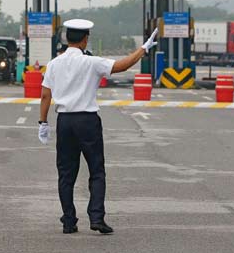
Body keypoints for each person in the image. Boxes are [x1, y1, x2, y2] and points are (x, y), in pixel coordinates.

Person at [38, 19, 158, 235]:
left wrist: (43, 122)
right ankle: (96, 218)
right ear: (85, 39)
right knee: (96, 171)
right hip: (87, 121)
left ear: (66, 39)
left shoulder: (54, 64)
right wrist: (142, 49)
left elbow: (45, 94)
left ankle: (68, 221)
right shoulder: (91, 62)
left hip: (64, 122)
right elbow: (121, 66)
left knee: (66, 174)